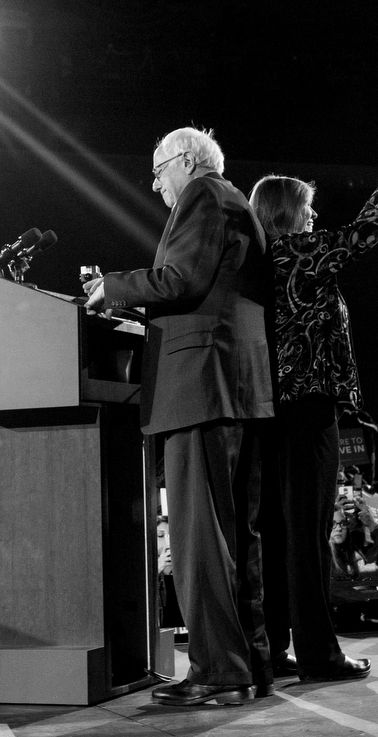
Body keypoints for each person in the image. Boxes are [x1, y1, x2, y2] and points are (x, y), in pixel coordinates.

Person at [84, 127, 274, 706]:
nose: (155, 184)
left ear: (185, 161)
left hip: (200, 389)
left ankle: (218, 670)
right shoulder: (234, 202)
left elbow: (179, 279)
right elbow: (202, 291)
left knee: (200, 539)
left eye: (158, 169)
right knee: (236, 535)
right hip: (233, 388)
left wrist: (111, 289)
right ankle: (249, 663)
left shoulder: (203, 195)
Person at [247, 133, 378, 684]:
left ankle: (276, 647)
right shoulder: (298, 254)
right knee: (308, 535)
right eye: (307, 208)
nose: (314, 215)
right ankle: (321, 656)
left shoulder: (256, 263)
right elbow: (361, 236)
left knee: (279, 537)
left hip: (269, 415)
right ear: (286, 213)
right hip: (307, 413)